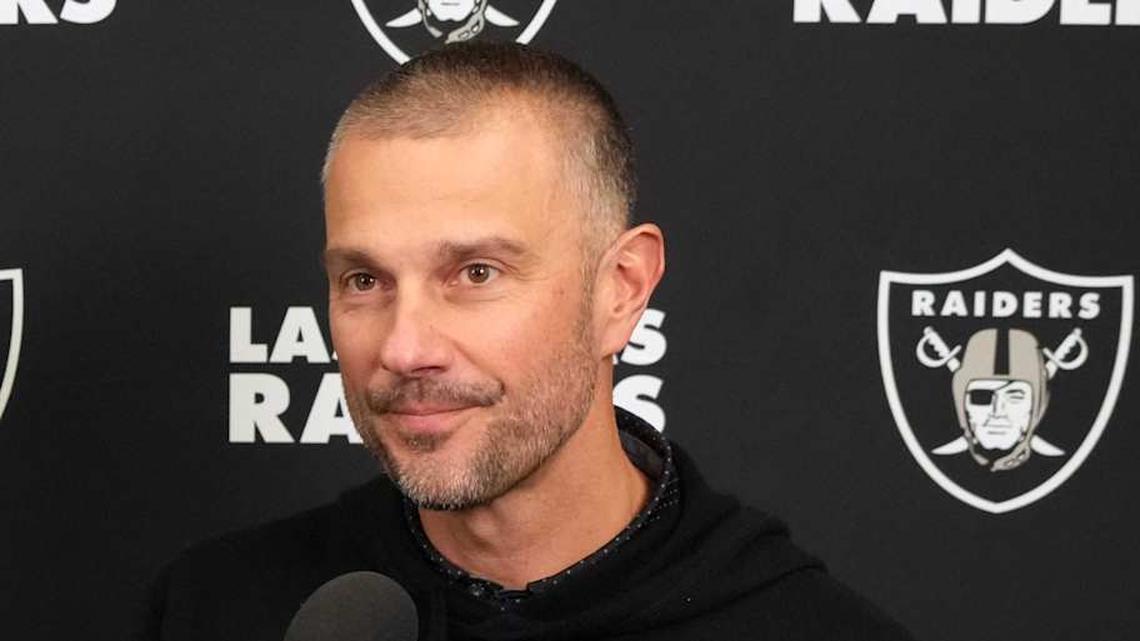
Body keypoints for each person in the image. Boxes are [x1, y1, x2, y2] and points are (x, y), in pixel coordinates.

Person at [141, 42, 915, 640]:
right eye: (365, 280)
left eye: (475, 273)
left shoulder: (809, 626)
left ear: (621, 289)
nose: (405, 348)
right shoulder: (215, 609)